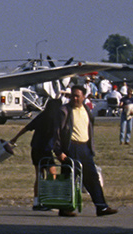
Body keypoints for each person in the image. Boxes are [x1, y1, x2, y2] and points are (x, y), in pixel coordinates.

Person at [46, 83, 117, 217]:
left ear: (84, 97)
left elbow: (90, 129)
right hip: (71, 147)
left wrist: (91, 148)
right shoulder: (64, 111)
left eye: (78, 96)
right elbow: (56, 132)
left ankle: (101, 207)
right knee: (69, 178)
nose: (75, 99)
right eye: (73, 96)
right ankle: (65, 208)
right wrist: (58, 151)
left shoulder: (86, 110)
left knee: (92, 178)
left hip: (84, 148)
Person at [7, 95, 64, 209]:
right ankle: (48, 199)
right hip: (45, 149)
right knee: (52, 172)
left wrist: (15, 138)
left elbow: (27, 127)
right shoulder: (56, 118)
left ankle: (37, 201)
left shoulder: (42, 116)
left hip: (36, 148)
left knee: (39, 175)